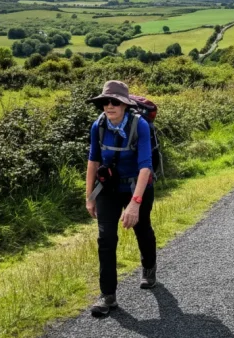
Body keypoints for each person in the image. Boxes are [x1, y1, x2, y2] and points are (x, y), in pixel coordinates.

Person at [86, 80, 157, 318]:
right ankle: (108, 296)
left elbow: (145, 167)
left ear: (125, 105)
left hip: (138, 185)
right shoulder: (99, 125)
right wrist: (89, 197)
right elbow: (93, 161)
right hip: (108, 188)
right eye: (105, 101)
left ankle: (149, 267)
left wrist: (135, 204)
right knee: (106, 238)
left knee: (142, 228)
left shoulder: (141, 126)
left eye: (115, 101)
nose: (109, 106)